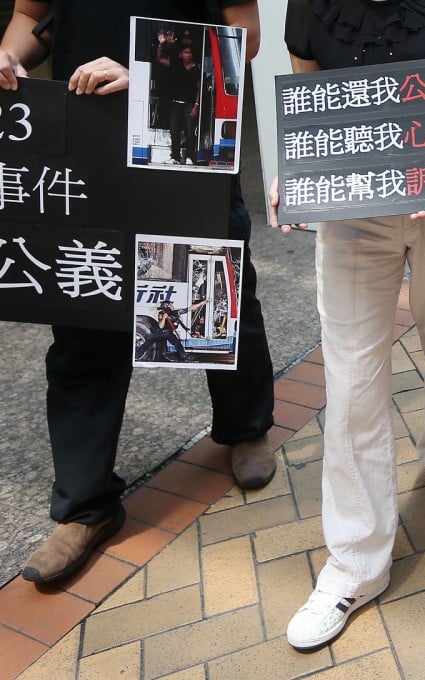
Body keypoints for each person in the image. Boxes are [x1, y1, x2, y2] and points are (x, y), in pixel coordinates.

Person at [271, 0, 425, 650]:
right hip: (356, 214)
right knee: (351, 378)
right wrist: (291, 175)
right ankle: (355, 565)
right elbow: (310, 112)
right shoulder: (310, 8)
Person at [0, 0, 277, 585]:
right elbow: (31, 17)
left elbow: (245, 35)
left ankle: (245, 427)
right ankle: (84, 506)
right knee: (82, 321)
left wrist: (148, 76)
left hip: (185, 128)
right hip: (87, 144)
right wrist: (8, 56)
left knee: (212, 299)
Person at [156, 30, 201, 165]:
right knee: (174, 130)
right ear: (181, 54)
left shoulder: (196, 69)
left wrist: (196, 106)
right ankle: (175, 156)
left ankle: (189, 157)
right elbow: (159, 59)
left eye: (189, 53)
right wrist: (161, 45)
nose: (187, 55)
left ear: (192, 55)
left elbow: (199, 89)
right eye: (185, 53)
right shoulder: (176, 64)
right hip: (176, 104)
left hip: (189, 104)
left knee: (190, 132)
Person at [135, 299, 208, 362]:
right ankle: (137, 355)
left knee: (177, 344)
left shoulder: (176, 312)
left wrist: (202, 303)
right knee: (148, 342)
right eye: (171, 305)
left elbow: (189, 308)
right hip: (159, 333)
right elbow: (160, 327)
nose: (172, 305)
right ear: (166, 306)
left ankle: (183, 356)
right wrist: (164, 318)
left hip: (168, 333)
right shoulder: (161, 314)